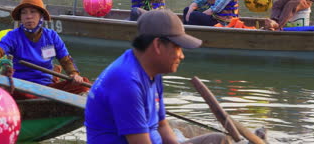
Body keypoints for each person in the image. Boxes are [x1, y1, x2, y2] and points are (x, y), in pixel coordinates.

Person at [85, 9, 231, 144]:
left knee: (218, 140)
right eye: (177, 47)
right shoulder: (127, 82)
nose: (181, 55)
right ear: (158, 45)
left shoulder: (152, 71)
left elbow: (161, 125)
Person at [0, 0, 89, 98]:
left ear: (41, 15)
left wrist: (74, 75)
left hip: (46, 87)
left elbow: (65, 59)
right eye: (24, 13)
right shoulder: (13, 36)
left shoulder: (51, 36)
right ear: (20, 17)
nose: (29, 16)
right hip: (21, 86)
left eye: (33, 12)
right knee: (9, 91)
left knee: (82, 84)